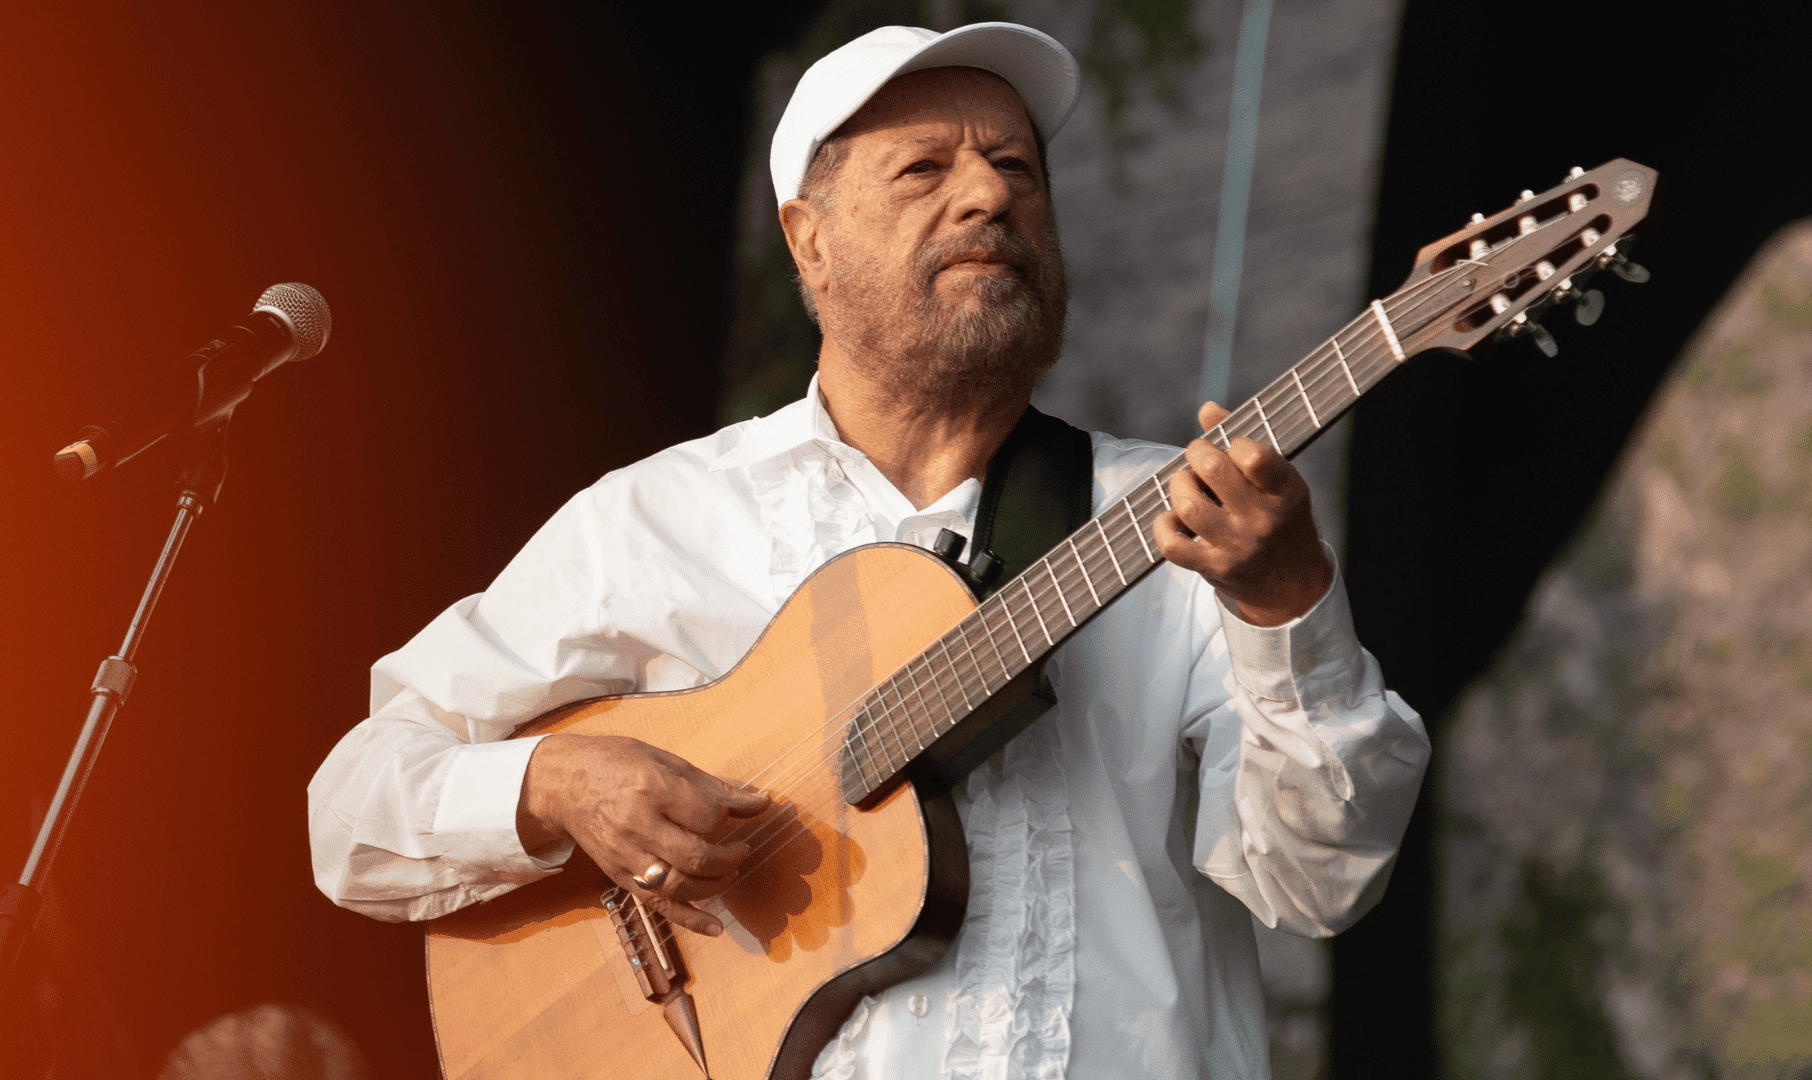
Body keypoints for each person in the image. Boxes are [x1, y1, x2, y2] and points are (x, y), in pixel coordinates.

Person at [308, 22, 1429, 1079]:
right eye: (923, 170)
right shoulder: (657, 521)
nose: (989, 191)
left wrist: (1289, 605)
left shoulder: (1177, 518)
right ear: (810, 241)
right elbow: (351, 811)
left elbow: (1320, 879)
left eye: (1017, 169)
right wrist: (559, 782)